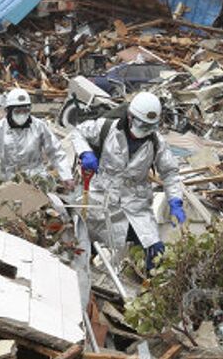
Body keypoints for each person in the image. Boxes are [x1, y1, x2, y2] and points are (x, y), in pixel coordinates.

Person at [70, 91, 185, 272]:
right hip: (101, 198)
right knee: (82, 244)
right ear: (130, 117)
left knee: (153, 249)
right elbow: (77, 132)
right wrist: (85, 152)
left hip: (135, 204)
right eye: (141, 124)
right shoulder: (106, 128)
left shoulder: (156, 143)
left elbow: (170, 172)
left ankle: (148, 287)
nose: (145, 130)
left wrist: (175, 200)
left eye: (150, 126)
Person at [0, 89, 75, 190]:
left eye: (25, 111)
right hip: (8, 180)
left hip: (36, 180)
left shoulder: (39, 126)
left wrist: (66, 176)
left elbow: (55, 152)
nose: (22, 114)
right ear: (8, 111)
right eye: (17, 111)